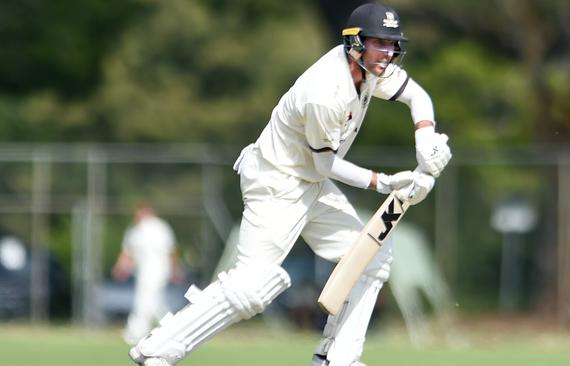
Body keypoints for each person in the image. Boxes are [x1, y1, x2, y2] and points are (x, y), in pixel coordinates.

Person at [128, 3, 451, 365]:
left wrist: (425, 137)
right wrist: (384, 182)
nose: (388, 53)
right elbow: (325, 163)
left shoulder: (371, 67)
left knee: (371, 256)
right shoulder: (326, 91)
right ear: (355, 43)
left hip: (311, 183)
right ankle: (159, 349)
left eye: (392, 45)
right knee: (253, 288)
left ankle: (338, 358)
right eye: (380, 44)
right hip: (277, 182)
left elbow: (417, 96)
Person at [112, 203, 180, 345]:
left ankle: (137, 331)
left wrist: (175, 269)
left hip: (159, 270)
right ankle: (172, 329)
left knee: (144, 300)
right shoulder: (136, 230)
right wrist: (121, 267)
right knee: (153, 302)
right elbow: (128, 251)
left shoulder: (160, 228)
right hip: (143, 271)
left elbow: (170, 250)